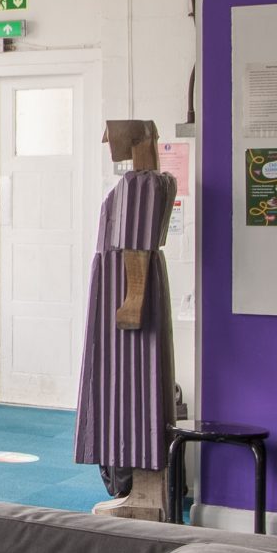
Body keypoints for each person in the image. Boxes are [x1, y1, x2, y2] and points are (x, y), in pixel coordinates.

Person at [74, 119, 177, 519]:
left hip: (124, 298)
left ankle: (145, 495)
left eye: (111, 135)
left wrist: (132, 301)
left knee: (127, 391)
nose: (106, 142)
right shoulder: (160, 181)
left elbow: (136, 248)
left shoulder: (138, 185)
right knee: (135, 390)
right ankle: (147, 492)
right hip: (127, 289)